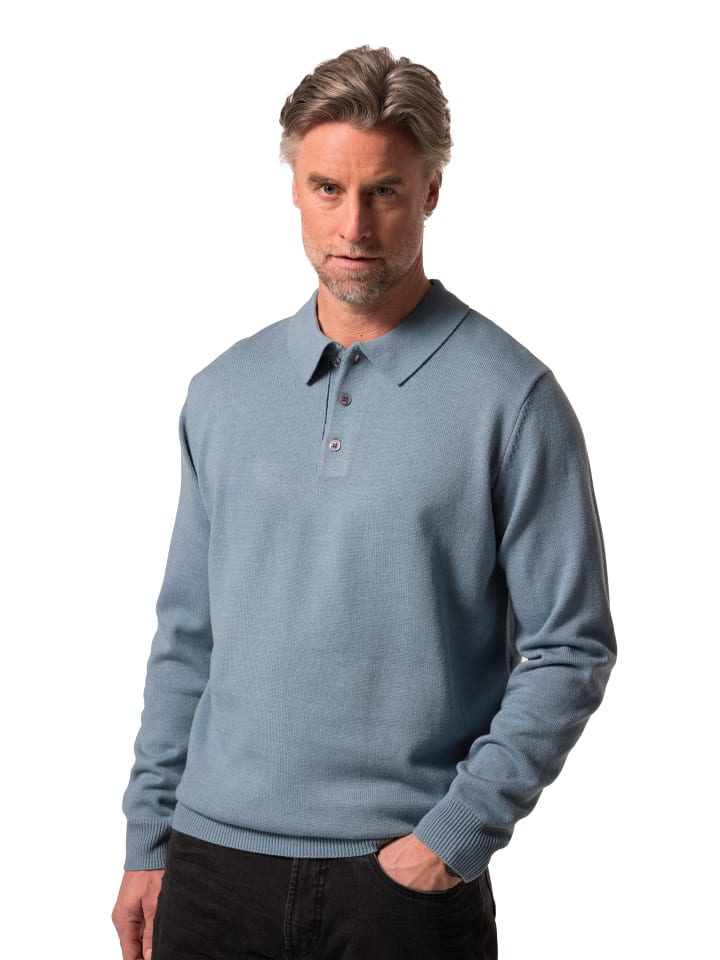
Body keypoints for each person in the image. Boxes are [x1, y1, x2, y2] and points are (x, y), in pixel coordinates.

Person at [112, 45, 616, 960]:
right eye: (328, 188)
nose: (355, 225)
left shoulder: (512, 399)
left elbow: (570, 647)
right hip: (210, 871)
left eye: (384, 191)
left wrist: (452, 837)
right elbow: (188, 634)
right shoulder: (223, 392)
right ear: (295, 190)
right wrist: (149, 836)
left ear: (431, 193)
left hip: (400, 884)